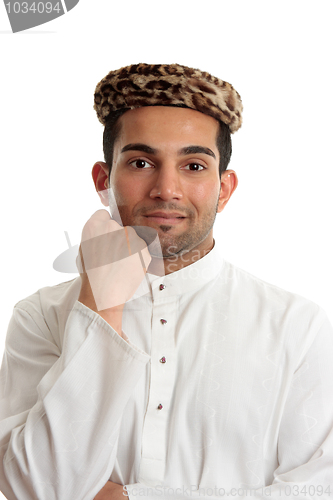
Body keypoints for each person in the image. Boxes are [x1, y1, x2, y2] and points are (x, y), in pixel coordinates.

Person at [0, 63, 332, 500]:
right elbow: (37, 486)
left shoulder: (299, 328)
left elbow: (315, 491)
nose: (167, 188)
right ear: (104, 181)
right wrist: (100, 307)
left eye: (194, 165)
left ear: (224, 189)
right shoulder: (42, 317)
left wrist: (125, 498)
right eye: (141, 162)